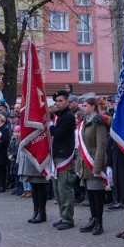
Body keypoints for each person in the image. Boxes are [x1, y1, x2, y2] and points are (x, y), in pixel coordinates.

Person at [75, 97, 110, 235]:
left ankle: (99, 222)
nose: (82, 107)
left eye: (85, 105)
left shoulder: (98, 123)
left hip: (95, 161)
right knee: (89, 193)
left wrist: (97, 167)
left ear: (93, 107)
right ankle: (93, 219)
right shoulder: (84, 122)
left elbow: (101, 146)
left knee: (97, 194)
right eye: (82, 105)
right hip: (85, 162)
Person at [49, 90, 77, 230]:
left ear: (67, 101)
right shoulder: (60, 116)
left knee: (64, 188)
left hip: (64, 156)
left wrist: (50, 126)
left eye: (60, 101)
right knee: (57, 190)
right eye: (56, 101)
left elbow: (58, 134)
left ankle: (68, 219)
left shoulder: (68, 116)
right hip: (57, 155)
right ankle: (63, 216)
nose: (58, 104)